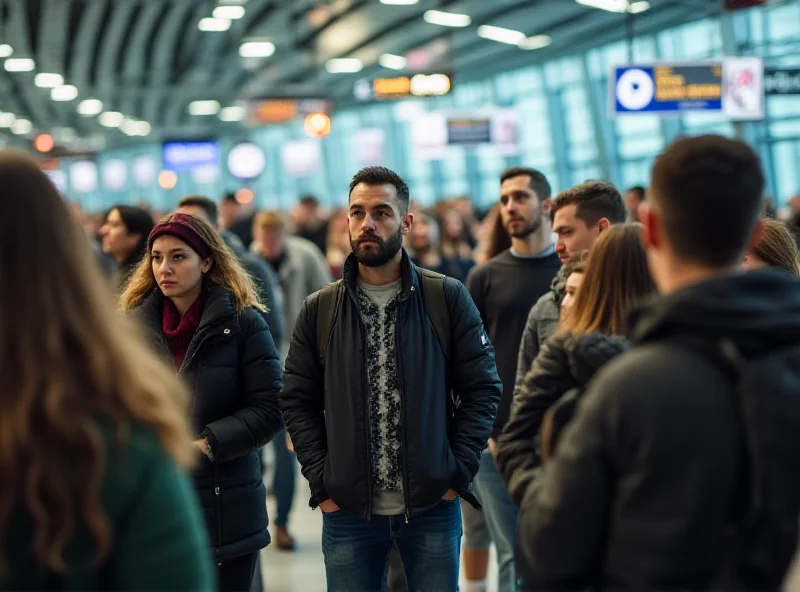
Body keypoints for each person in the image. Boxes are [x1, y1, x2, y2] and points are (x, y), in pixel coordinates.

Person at [517, 135, 800, 589]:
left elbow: (551, 551)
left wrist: (525, 471)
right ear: (755, 233)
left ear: (649, 227)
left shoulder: (628, 385)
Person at [280, 166, 501, 592]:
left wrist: (455, 473)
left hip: (432, 506)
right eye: (357, 212)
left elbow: (483, 387)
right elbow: (296, 399)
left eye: (381, 212)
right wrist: (322, 482)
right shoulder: (320, 308)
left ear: (406, 221)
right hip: (346, 509)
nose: (367, 223)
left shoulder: (446, 297)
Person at [0, 152, 213, 590]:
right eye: (157, 257)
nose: (165, 268)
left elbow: (270, 399)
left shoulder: (122, 432)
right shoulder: (122, 433)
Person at [120, 213, 284, 591]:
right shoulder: (131, 327)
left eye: (178, 257)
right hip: (155, 501)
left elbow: (270, 407)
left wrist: (207, 444)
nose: (165, 268)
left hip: (226, 501)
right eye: (157, 258)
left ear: (206, 261)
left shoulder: (243, 323)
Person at [496, 224, 655, 508]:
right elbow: (517, 436)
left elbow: (515, 438)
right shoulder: (564, 350)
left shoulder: (665, 348)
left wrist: (546, 506)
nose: (567, 302)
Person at [465, 167, 561, 591]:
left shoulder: (569, 273)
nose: (510, 208)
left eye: (520, 197)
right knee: (513, 554)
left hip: (558, 436)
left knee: (553, 553)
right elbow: (465, 359)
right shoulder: (485, 276)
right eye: (504, 200)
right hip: (497, 439)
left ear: (546, 206)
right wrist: (480, 425)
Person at [513, 182, 626, 426]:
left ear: (602, 229)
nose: (558, 247)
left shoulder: (647, 304)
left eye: (567, 232)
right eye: (557, 234)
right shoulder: (546, 310)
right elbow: (523, 401)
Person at [176, 195, 285, 347]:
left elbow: (271, 329)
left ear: (215, 227)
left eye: (196, 223)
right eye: (180, 224)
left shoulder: (247, 266)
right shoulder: (175, 269)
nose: (185, 231)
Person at [100, 204, 154, 293]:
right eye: (106, 223)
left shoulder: (140, 282)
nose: (103, 230)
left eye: (114, 225)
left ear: (135, 237)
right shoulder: (121, 272)